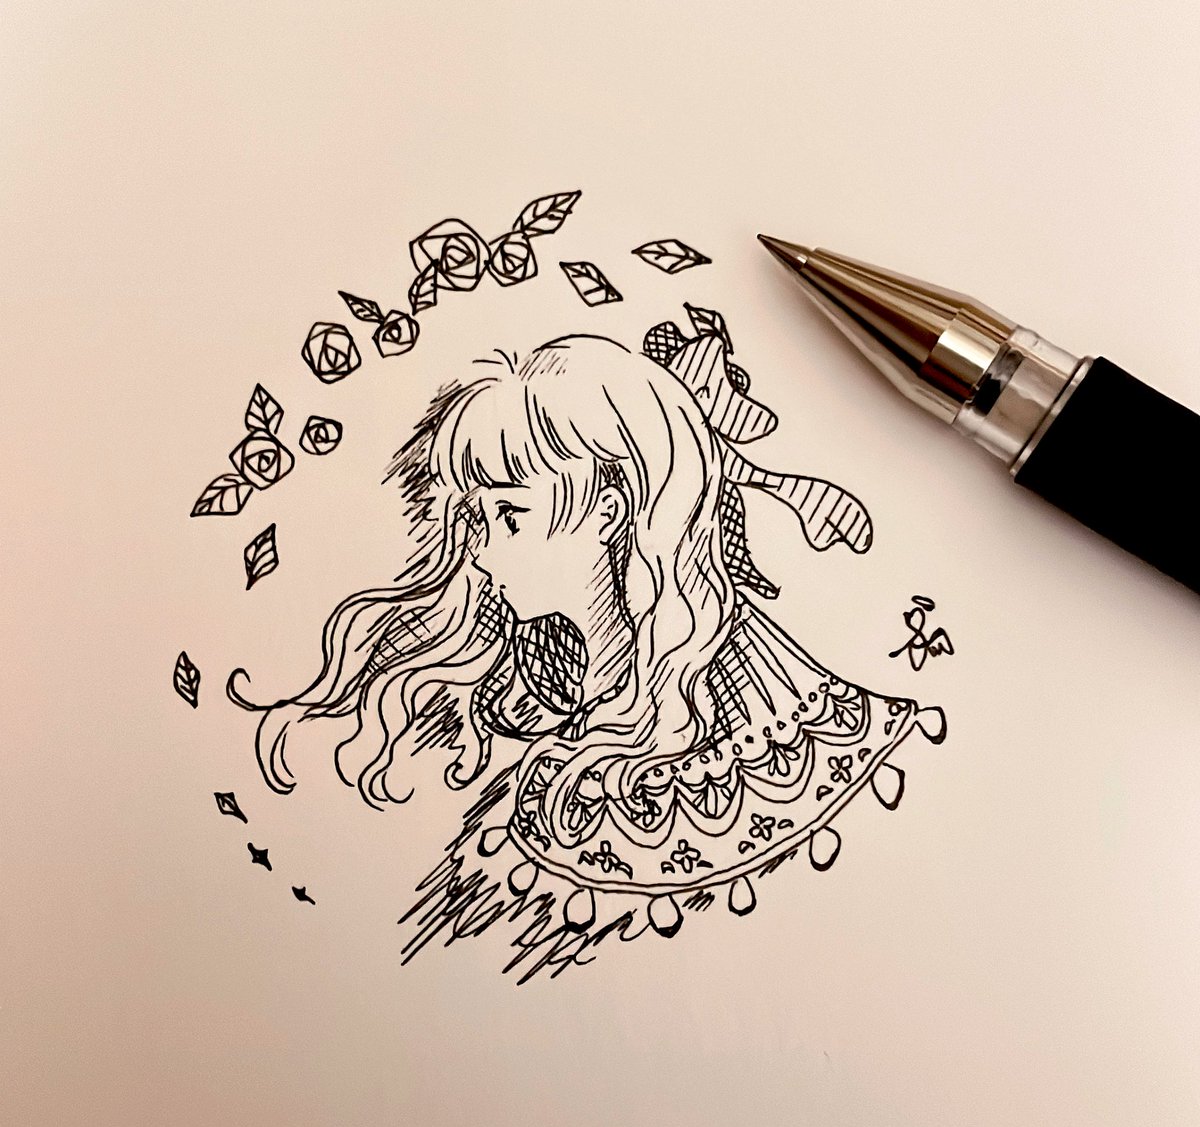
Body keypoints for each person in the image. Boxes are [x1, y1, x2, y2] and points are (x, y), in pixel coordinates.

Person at [230, 319, 945, 978]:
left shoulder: (767, 736)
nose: (479, 550)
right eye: (474, 516)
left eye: (509, 512)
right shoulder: (578, 702)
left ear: (611, 505)